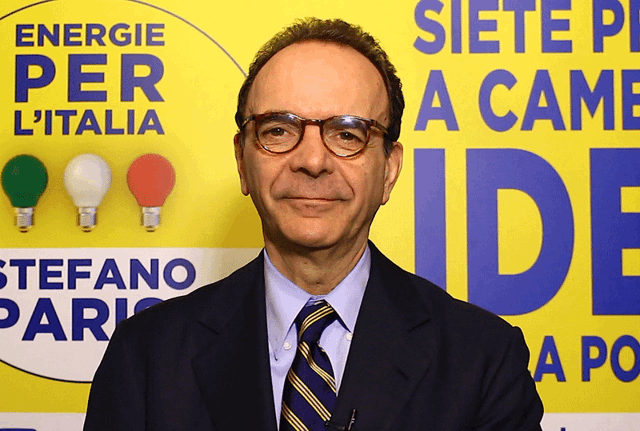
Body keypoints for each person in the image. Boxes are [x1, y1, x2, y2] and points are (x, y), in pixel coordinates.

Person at [83, 18, 543, 431]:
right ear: (242, 161)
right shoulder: (146, 357)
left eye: (347, 133)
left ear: (389, 170)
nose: (312, 160)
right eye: (278, 130)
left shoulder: (482, 360)